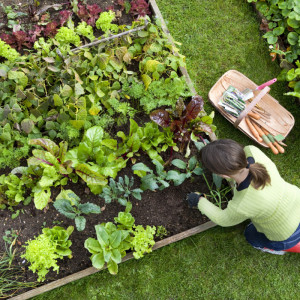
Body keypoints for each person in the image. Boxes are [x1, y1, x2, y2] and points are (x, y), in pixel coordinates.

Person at [186, 139, 300, 255]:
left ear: (224, 175)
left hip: (284, 234)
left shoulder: (243, 203)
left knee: (250, 235)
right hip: (297, 203)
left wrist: (199, 200)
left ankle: (280, 248)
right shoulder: (253, 151)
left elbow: (223, 219)